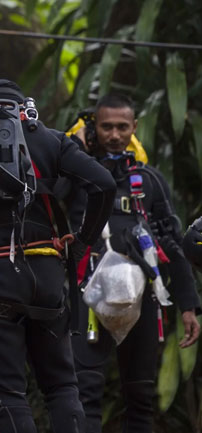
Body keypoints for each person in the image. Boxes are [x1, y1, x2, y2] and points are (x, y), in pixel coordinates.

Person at [0, 79, 116, 433]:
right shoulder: (49, 138)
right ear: (22, 108)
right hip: (46, 276)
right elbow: (103, 184)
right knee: (61, 385)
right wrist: (80, 242)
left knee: (8, 392)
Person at [68, 93, 201, 433]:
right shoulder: (75, 176)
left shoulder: (151, 181)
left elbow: (171, 242)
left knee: (140, 393)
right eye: (106, 127)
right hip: (87, 295)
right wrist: (76, 151)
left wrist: (188, 305)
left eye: (122, 127)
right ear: (93, 127)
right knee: (85, 391)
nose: (114, 135)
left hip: (141, 296)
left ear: (134, 128)